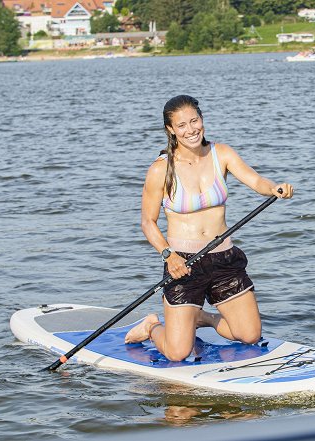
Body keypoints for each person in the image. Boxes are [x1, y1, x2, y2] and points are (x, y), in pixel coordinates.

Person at [125, 95, 294, 361]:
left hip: (224, 258)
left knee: (249, 334)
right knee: (177, 353)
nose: (190, 129)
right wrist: (169, 255)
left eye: (194, 121)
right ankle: (152, 327)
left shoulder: (221, 153)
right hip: (184, 263)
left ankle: (201, 316)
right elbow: (148, 222)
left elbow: (256, 180)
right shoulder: (161, 169)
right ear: (170, 129)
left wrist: (273, 188)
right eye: (181, 125)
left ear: (202, 120)